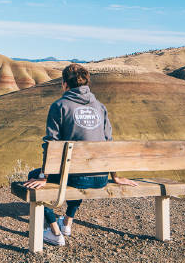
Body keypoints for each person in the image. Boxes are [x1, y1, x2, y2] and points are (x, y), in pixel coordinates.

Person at [22, 63, 138, 246]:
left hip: (76, 177)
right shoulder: (100, 107)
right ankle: (67, 222)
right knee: (78, 170)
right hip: (100, 177)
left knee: (34, 176)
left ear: (64, 84)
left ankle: (54, 231)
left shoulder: (59, 106)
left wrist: (44, 177)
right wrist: (115, 176)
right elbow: (109, 143)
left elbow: (51, 144)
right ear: (86, 84)